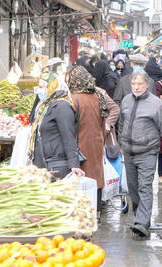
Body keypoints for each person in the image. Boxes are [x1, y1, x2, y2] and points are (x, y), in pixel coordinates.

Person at [119, 70, 162, 237]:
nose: (136, 87)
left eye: (140, 84)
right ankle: (139, 218)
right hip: (129, 152)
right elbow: (121, 123)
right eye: (134, 84)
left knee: (144, 187)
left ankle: (142, 223)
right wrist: (121, 143)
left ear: (147, 84)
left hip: (147, 152)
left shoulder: (156, 104)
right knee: (133, 188)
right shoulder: (126, 100)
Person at [28, 70, 85, 179]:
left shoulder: (62, 106)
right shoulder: (46, 106)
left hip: (56, 165)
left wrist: (74, 164)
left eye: (42, 87)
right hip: (46, 163)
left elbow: (68, 136)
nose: (39, 90)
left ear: (52, 86)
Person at [66, 66, 108, 214]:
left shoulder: (72, 99)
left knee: (80, 178)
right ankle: (96, 211)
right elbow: (104, 122)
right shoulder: (99, 96)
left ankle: (81, 212)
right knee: (96, 178)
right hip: (96, 143)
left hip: (80, 144)